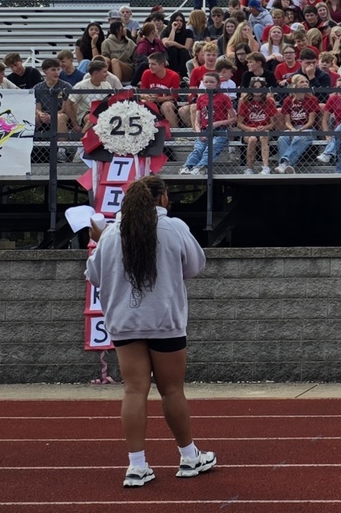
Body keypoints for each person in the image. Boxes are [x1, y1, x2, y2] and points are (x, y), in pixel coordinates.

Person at [85, 176, 216, 488]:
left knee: (133, 390)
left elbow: (94, 274)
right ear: (163, 198)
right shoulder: (173, 227)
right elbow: (195, 266)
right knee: (172, 390)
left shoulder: (113, 232)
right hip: (164, 318)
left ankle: (137, 465)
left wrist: (98, 239)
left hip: (124, 321)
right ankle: (188, 456)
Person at [179, 72, 235, 176]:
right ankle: (187, 166)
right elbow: (197, 119)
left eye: (212, 82)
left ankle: (201, 167)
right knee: (198, 148)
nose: (209, 84)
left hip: (221, 129)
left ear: (217, 83)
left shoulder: (224, 97)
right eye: (206, 82)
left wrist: (218, 123)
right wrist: (199, 132)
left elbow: (233, 118)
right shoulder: (201, 98)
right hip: (205, 129)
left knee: (212, 147)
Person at [237, 75, 277, 175]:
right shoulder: (245, 102)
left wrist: (264, 127)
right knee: (252, 139)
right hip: (249, 131)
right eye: (255, 87)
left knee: (263, 137)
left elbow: (273, 123)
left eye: (260, 87)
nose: (258, 90)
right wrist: (250, 129)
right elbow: (239, 123)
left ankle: (265, 167)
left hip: (264, 130)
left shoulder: (269, 102)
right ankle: (250, 168)